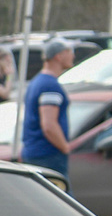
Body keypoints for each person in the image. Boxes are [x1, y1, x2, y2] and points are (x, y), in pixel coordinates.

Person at [21, 38, 77, 177]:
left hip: (36, 151)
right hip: (48, 155)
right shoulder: (49, 86)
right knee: (58, 197)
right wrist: (65, 147)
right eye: (69, 51)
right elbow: (49, 125)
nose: (73, 56)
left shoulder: (38, 81)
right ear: (58, 56)